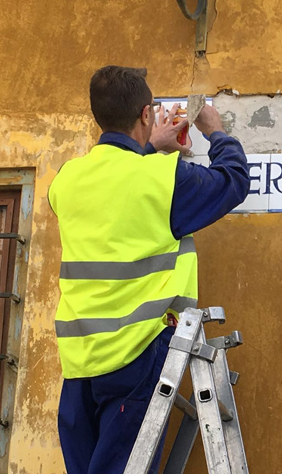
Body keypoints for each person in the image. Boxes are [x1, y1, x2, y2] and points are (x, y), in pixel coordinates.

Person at [48, 65, 250, 474]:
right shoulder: (163, 176)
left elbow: (116, 195)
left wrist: (147, 147)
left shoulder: (66, 180)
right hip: (136, 354)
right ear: (146, 114)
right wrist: (216, 131)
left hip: (79, 360)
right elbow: (233, 180)